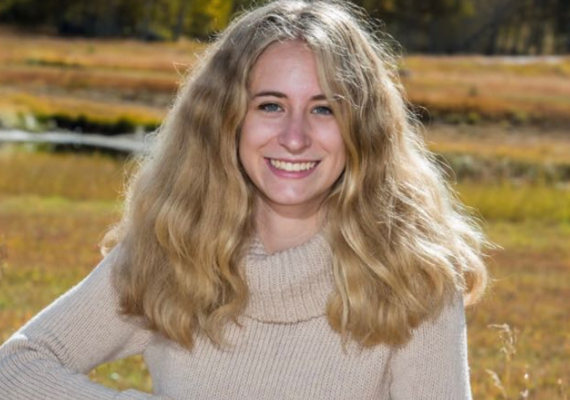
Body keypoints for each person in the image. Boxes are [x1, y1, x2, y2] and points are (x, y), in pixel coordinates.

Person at [0, 0, 488, 399]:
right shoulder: (172, 250)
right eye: (270, 106)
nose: (294, 138)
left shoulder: (411, 275)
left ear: (362, 127)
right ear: (225, 119)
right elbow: (16, 368)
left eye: (324, 108)